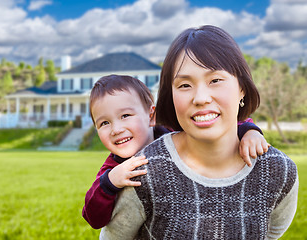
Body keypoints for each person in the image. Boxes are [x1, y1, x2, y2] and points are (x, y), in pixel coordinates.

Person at [100, 25, 298, 239]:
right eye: (184, 85)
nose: (201, 98)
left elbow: (271, 233)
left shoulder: (278, 171)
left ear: (242, 88)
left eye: (215, 80)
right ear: (171, 96)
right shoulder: (144, 172)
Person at [82, 74, 268, 229]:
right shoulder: (113, 168)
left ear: (151, 116)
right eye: (104, 123)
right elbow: (93, 218)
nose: (116, 129)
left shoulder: (174, 133)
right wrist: (110, 183)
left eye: (125, 116)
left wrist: (249, 132)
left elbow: (220, 126)